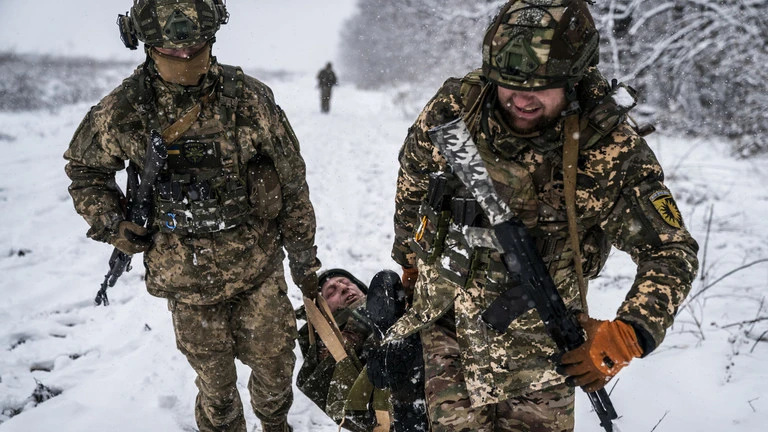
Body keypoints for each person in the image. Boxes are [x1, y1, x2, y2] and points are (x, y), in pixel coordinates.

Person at [383, 1, 699, 431]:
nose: (521, 98)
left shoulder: (609, 148)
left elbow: (670, 248)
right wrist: (409, 257)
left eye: (541, 86)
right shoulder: (459, 108)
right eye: (509, 83)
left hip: (542, 349)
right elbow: (414, 173)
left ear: (574, 79)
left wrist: (631, 331)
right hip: (447, 324)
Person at [63, 1, 321, 431]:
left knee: (276, 375)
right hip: (185, 279)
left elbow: (292, 184)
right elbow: (85, 171)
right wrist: (112, 223)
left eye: (195, 48)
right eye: (172, 51)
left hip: (256, 267)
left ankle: (275, 426)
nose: (185, 58)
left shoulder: (250, 100)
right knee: (217, 393)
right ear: (146, 45)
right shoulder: (124, 111)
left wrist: (304, 261)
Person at [297, 269, 429, 432]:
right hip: (399, 412)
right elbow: (345, 406)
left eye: (346, 283)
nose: (343, 288)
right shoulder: (331, 349)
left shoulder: (396, 301)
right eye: (332, 292)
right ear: (325, 312)